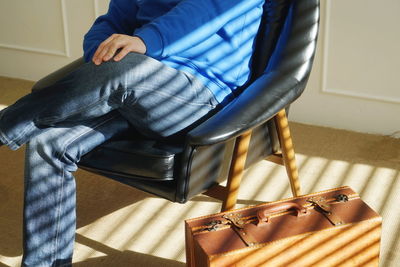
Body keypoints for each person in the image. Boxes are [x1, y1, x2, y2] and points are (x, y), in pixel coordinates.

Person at [0, 0, 264, 266]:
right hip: (135, 89)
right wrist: (101, 55)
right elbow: (113, 21)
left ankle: (4, 127)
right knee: (48, 144)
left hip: (200, 92)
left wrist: (144, 42)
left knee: (127, 70)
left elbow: (205, 11)